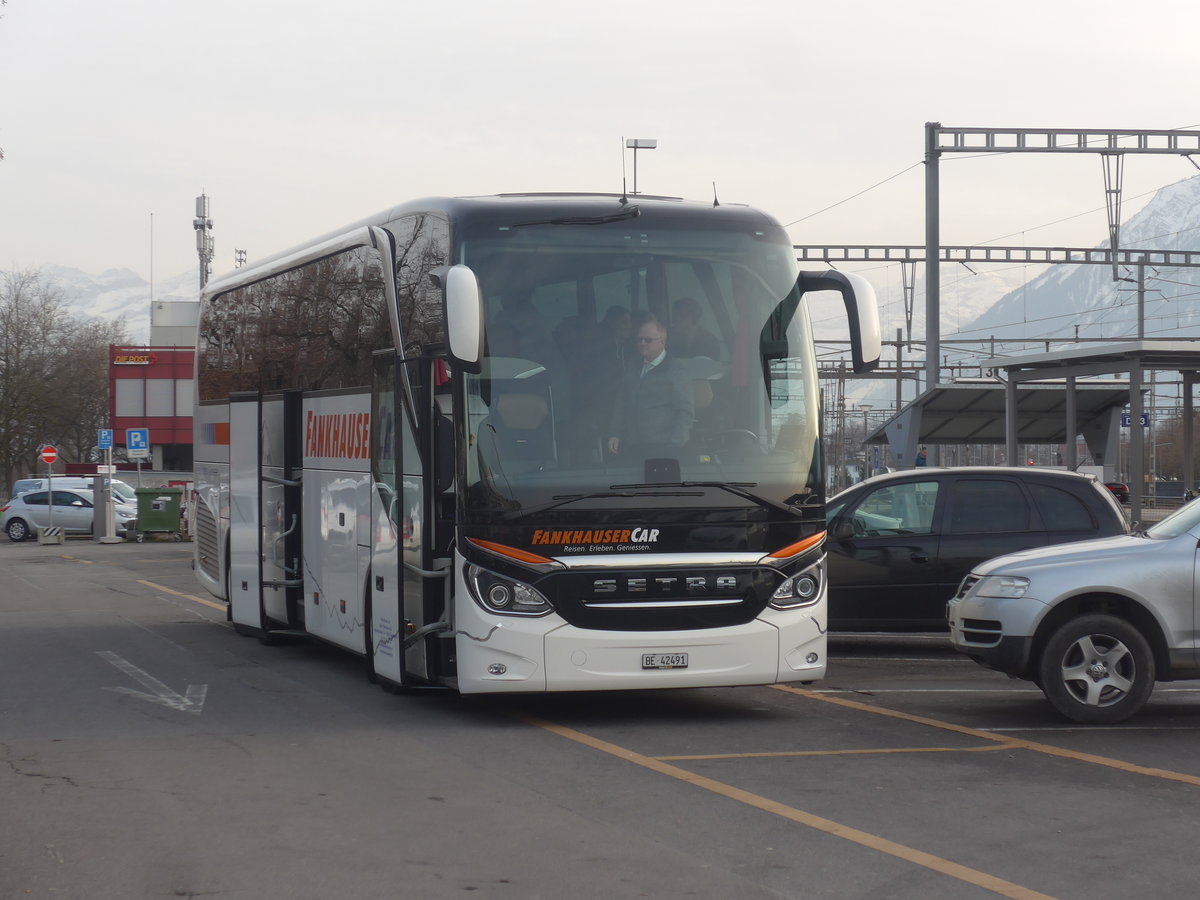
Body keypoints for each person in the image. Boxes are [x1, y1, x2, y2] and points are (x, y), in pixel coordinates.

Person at [607, 317, 694, 458]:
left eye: (648, 340)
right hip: (633, 446)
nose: (642, 343)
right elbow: (621, 402)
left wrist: (675, 446)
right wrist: (615, 433)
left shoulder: (677, 370)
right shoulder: (633, 367)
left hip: (663, 448)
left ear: (662, 342)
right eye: (639, 339)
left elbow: (685, 411)